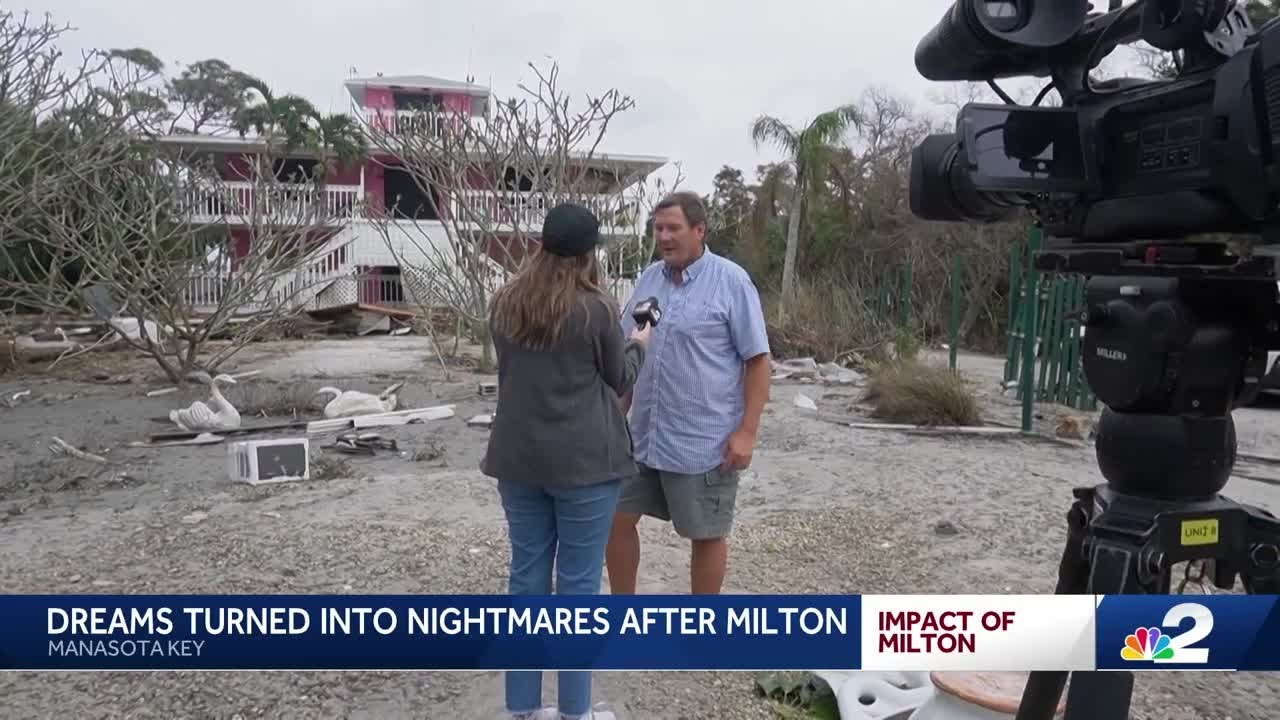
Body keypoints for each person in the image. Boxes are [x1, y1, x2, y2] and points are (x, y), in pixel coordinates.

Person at [481, 203, 651, 720]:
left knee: (526, 582)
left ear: (541, 243)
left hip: (518, 459)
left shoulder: (504, 302)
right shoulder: (594, 308)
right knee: (577, 589)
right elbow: (620, 376)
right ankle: (575, 712)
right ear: (588, 253)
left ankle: (523, 710)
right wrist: (642, 339)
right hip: (585, 465)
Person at [605, 191, 771, 596]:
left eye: (673, 228)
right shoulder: (648, 279)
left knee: (706, 533)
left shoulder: (731, 282)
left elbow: (758, 362)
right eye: (658, 228)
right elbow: (630, 352)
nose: (664, 237)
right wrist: (611, 419)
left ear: (699, 230)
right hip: (642, 436)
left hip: (703, 441)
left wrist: (747, 432)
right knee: (616, 518)